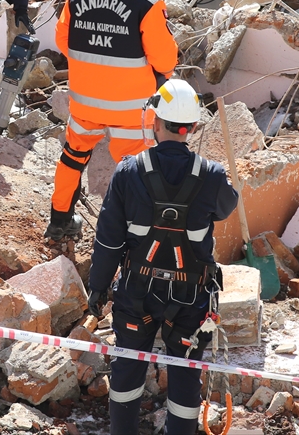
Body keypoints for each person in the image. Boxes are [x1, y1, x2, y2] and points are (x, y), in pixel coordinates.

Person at [87, 77, 239, 435]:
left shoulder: (128, 172)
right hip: (190, 299)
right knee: (186, 378)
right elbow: (226, 207)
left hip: (136, 295)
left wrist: (97, 288)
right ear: (193, 127)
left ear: (154, 121)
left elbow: (108, 241)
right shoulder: (213, 176)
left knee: (127, 369)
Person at [48, 0, 178, 240]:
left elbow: (63, 42)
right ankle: (136, 232)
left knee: (73, 155)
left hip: (84, 104)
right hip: (131, 111)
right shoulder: (147, 2)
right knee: (137, 168)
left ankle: (59, 220)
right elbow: (165, 61)